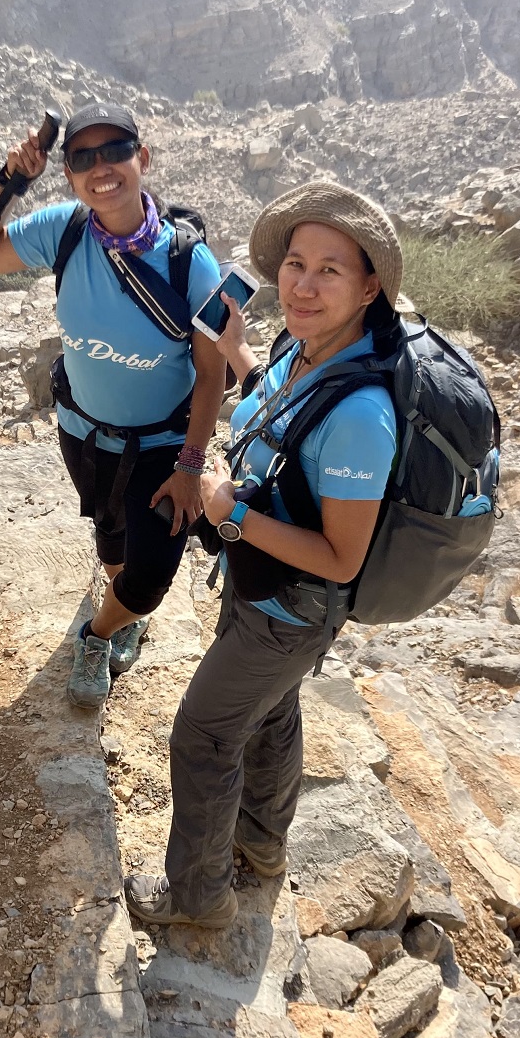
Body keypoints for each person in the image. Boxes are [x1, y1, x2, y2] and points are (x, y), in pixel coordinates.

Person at [124, 181, 402, 929]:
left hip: (293, 607)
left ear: (369, 284)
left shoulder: (363, 416)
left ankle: (200, 898)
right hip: (264, 587)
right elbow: (271, 402)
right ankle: (263, 845)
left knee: (205, 732)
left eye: (330, 271)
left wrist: (232, 512)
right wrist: (237, 347)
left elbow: (342, 558)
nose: (303, 284)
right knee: (271, 708)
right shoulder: (309, 352)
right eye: (295, 264)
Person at [0, 103, 228, 707]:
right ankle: (120, 609)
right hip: (84, 431)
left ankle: (99, 632)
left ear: (143, 159)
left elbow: (211, 374)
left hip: (163, 443)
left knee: (152, 573)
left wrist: (191, 466)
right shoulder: (65, 229)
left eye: (115, 152)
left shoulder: (189, 261)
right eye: (83, 158)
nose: (101, 167)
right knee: (111, 534)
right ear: (69, 175)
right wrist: (10, 183)